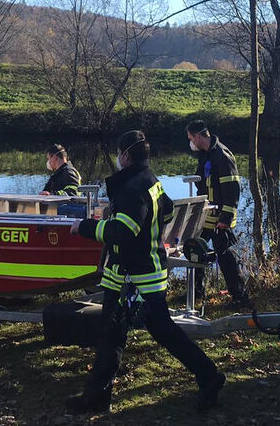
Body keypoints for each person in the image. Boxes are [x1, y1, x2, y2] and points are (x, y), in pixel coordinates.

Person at [66, 130, 226, 414]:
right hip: (136, 275)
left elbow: (123, 231)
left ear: (126, 155)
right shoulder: (150, 180)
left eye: (119, 154)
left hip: (136, 280)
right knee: (113, 335)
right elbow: (164, 212)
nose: (117, 158)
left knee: (156, 334)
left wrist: (86, 228)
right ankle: (98, 396)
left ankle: (209, 376)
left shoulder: (131, 188)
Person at [186, 121, 252, 310]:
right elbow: (203, 182)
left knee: (224, 256)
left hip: (221, 217)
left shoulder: (221, 155)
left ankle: (240, 298)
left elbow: (231, 188)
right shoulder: (205, 155)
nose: (190, 143)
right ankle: (197, 291)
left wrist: (226, 218)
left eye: (191, 139)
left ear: (198, 137)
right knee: (195, 248)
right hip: (207, 214)